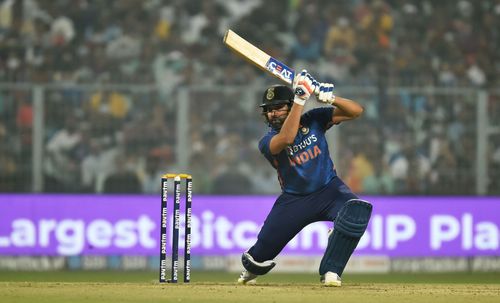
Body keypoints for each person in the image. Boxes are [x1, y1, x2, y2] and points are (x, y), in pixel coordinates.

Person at [237, 70, 372, 287]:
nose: (272, 114)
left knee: (355, 212)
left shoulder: (315, 119)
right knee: (257, 259)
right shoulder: (267, 141)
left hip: (330, 190)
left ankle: (331, 271)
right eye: (268, 110)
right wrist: (301, 98)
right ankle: (251, 270)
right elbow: (288, 138)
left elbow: (356, 111)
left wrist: (330, 98)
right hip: (295, 200)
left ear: (289, 107)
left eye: (278, 108)